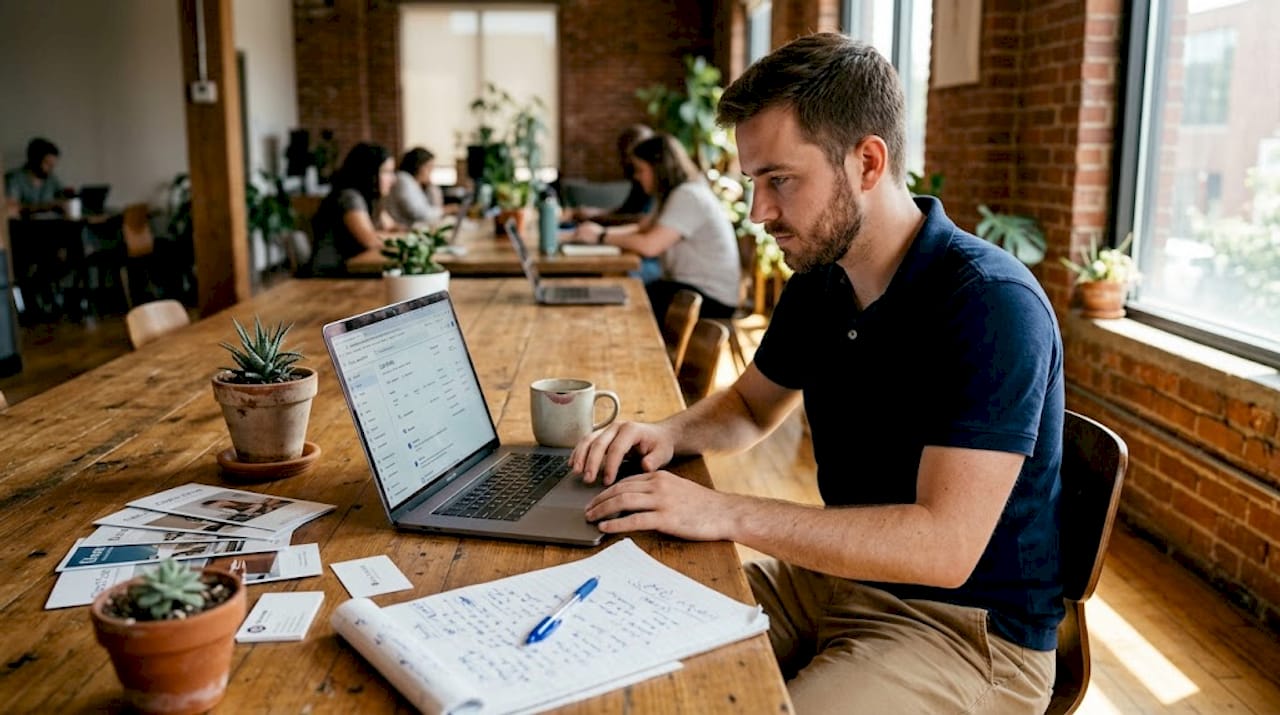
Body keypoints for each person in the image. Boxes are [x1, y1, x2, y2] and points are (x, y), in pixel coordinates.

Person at [570, 33, 1064, 714]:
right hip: (834, 577)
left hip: (963, 630)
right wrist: (667, 431)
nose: (759, 213)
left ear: (867, 161)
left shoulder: (989, 304)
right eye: (755, 183)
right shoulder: (822, 277)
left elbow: (943, 546)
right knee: (605, 647)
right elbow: (748, 405)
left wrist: (723, 511)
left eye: (780, 180)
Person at [571, 133, 740, 321]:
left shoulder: (688, 195)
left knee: (626, 301)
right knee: (624, 294)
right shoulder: (674, 193)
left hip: (711, 299)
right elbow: (641, 229)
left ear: (659, 169)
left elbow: (650, 246)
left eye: (640, 170)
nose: (637, 177)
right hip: (690, 289)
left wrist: (601, 236)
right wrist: (595, 233)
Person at [304, 142, 397, 277]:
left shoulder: (369, 198)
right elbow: (370, 242)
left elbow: (391, 226)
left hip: (347, 268)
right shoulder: (349, 197)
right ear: (369, 173)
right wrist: (401, 240)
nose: (393, 179)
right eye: (386, 172)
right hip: (331, 274)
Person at [571, 123, 655, 226]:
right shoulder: (638, 181)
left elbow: (642, 219)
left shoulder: (654, 180)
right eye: (624, 155)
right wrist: (597, 212)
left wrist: (596, 218)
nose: (626, 161)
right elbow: (627, 210)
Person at [4, 137, 70, 217]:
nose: (51, 169)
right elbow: (11, 208)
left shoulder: (51, 179)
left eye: (53, 165)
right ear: (34, 160)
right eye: (47, 164)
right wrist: (44, 207)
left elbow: (63, 196)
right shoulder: (14, 178)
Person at [384, 147, 444, 228]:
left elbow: (434, 207)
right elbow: (419, 214)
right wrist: (446, 210)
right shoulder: (403, 179)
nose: (431, 172)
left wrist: (432, 187)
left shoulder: (416, 184)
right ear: (418, 166)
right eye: (429, 167)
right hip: (401, 231)